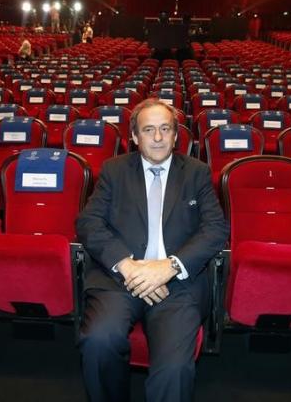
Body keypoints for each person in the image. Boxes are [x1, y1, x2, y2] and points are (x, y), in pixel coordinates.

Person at [76, 99, 229, 402]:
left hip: (177, 285)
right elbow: (88, 222)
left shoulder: (197, 173)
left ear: (175, 135)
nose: (158, 138)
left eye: (165, 129)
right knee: (99, 340)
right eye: (148, 130)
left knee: (174, 369)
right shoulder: (114, 170)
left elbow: (215, 229)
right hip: (120, 280)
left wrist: (169, 267)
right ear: (134, 136)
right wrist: (128, 266)